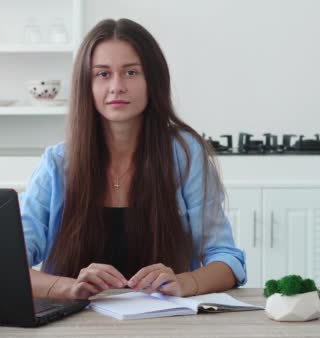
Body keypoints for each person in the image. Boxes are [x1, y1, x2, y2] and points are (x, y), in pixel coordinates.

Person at [20, 18, 246, 300]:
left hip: (169, 323)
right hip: (73, 326)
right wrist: (68, 288)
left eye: (130, 72)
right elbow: (7, 263)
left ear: (153, 80)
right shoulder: (56, 163)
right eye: (103, 74)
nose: (117, 86)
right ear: (86, 85)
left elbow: (226, 259)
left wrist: (185, 281)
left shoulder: (186, 154)